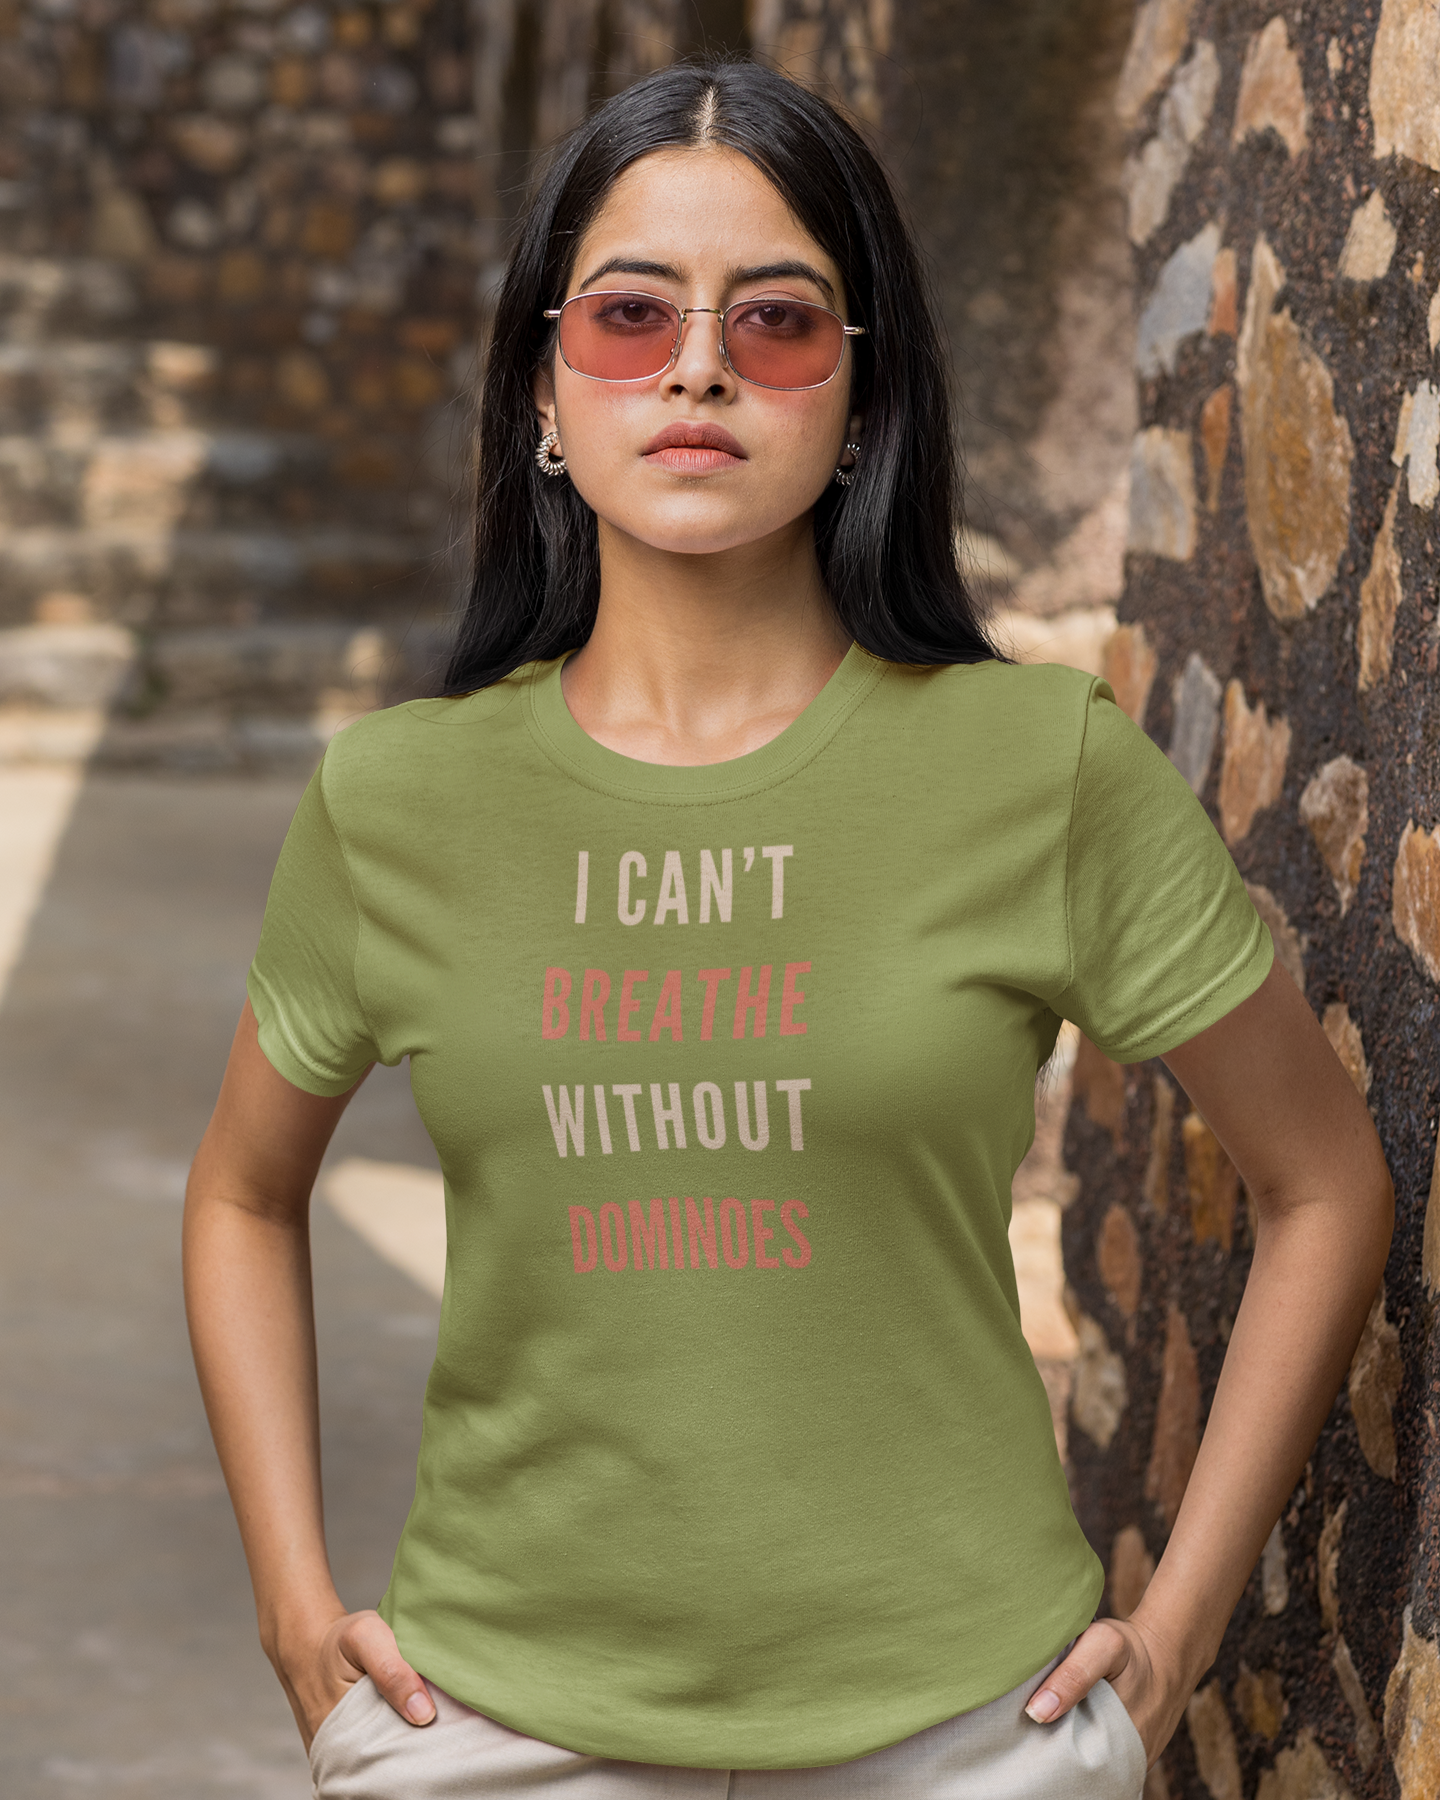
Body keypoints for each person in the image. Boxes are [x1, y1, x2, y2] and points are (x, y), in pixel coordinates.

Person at [183, 56, 1393, 1800]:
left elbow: (1324, 1180)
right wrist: (296, 1613)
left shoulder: (1032, 767)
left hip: (976, 1738)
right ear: (543, 382)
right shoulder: (399, 804)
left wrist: (1177, 1637)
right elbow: (238, 1192)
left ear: (859, 391)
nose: (695, 366)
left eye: (776, 321)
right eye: (626, 315)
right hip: (499, 1736)